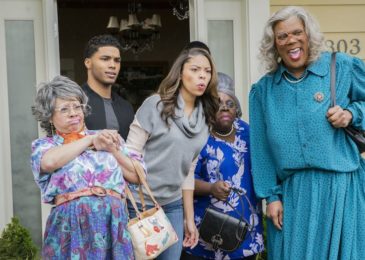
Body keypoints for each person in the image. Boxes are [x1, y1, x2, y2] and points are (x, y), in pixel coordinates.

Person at [249, 6, 365, 260]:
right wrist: (272, 196)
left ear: (308, 35)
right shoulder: (264, 91)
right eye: (282, 36)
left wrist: (352, 114)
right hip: (293, 196)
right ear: (273, 44)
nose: (291, 40)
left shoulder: (342, 67)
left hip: (341, 189)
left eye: (297, 32)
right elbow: (261, 149)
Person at [30, 75, 141, 259]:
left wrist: (112, 149)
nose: (73, 113)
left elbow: (137, 175)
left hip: (112, 224)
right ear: (50, 116)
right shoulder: (45, 145)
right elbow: (49, 162)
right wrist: (89, 139)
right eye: (64, 109)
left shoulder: (108, 137)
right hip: (69, 227)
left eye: (77, 106)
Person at [125, 47, 220, 259]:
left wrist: (189, 218)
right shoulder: (155, 105)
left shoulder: (205, 117)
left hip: (172, 205)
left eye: (207, 71)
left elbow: (188, 169)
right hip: (140, 204)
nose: (202, 75)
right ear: (180, 73)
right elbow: (130, 153)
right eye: (195, 69)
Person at [182, 72, 264, 260]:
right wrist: (210, 188)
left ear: (237, 108)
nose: (224, 108)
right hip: (207, 232)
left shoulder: (247, 131)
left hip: (246, 228)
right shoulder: (196, 135)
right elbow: (181, 178)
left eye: (230, 104)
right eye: (218, 103)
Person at [82, 34, 134, 140]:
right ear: (88, 63)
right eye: (105, 59)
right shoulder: (75, 102)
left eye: (117, 60)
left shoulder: (126, 107)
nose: (113, 65)